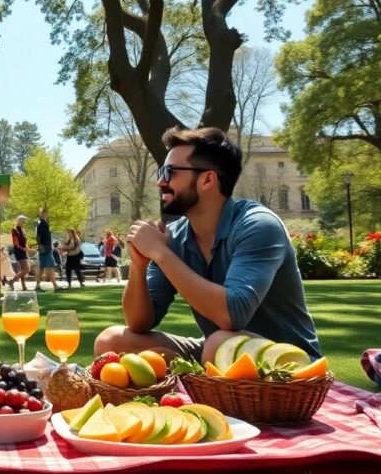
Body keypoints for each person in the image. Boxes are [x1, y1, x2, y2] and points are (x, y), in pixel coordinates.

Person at [95, 127, 322, 363]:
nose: (160, 182)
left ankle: (201, 385)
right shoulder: (175, 237)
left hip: (290, 362)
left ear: (207, 179)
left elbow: (231, 315)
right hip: (218, 350)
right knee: (112, 342)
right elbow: (139, 322)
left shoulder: (259, 225)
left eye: (170, 172)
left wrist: (160, 253)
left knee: (218, 342)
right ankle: (188, 390)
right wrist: (139, 265)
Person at [35, 207, 58, 292]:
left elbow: (38, 238)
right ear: (40, 214)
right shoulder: (42, 224)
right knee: (50, 267)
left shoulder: (41, 224)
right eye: (44, 213)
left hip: (44, 248)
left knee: (41, 268)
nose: (46, 214)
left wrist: (40, 246)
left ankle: (37, 286)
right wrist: (42, 246)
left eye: (45, 212)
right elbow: (38, 238)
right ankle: (55, 286)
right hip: (46, 249)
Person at [10, 215, 34, 291]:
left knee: (23, 269)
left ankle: (24, 287)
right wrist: (25, 250)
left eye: (24, 221)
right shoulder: (14, 230)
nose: (24, 222)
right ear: (18, 221)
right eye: (22, 221)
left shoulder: (23, 230)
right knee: (27, 269)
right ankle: (11, 281)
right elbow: (16, 244)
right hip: (19, 251)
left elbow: (24, 242)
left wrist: (28, 249)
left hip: (23, 251)